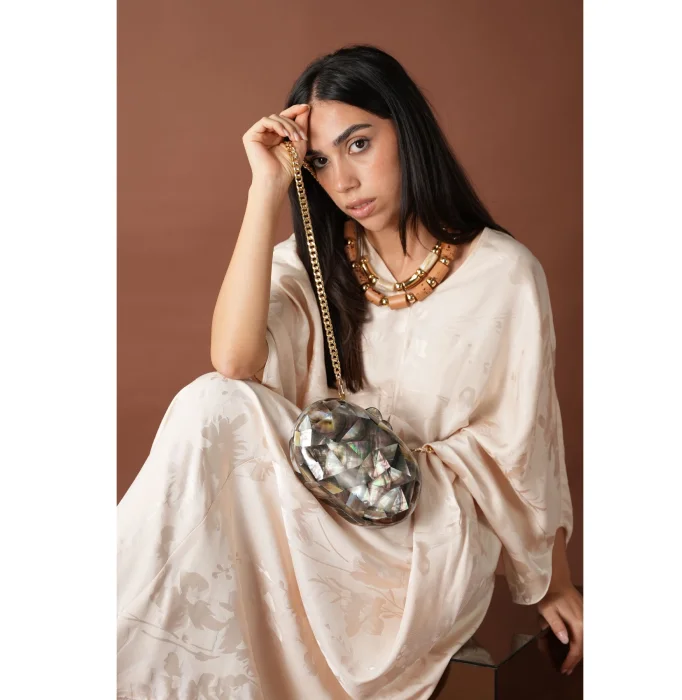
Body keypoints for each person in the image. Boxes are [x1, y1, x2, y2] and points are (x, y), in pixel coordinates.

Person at [117, 44, 582, 699]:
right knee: (210, 402)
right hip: (312, 517)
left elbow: (528, 439)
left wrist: (555, 585)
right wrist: (265, 189)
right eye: (319, 162)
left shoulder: (504, 274)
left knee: (213, 406)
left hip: (423, 536)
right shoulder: (316, 261)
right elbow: (234, 363)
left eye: (359, 145)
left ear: (406, 131)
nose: (343, 181)